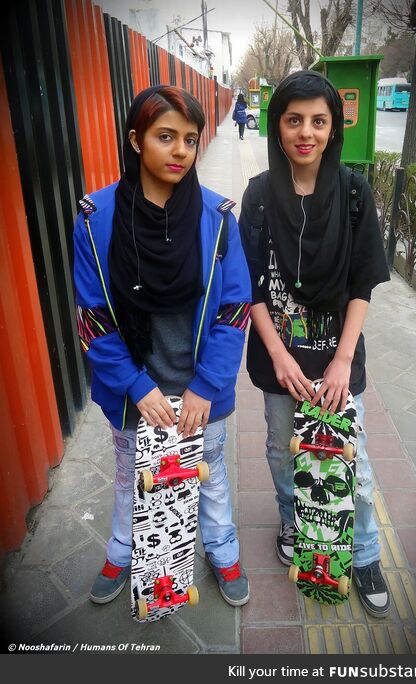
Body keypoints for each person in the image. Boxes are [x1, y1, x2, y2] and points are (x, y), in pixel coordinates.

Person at [73, 85, 252, 608]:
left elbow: (234, 309)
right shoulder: (95, 218)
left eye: (190, 140)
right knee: (134, 475)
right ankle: (123, 549)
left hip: (201, 389)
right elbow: (92, 316)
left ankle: (222, 550)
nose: (180, 151)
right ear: (135, 140)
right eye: (165, 136)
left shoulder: (217, 218)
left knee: (210, 474)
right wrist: (136, 385)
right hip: (134, 391)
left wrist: (206, 386)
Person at [238, 70, 391, 618]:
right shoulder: (257, 196)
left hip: (338, 359)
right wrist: (279, 356)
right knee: (283, 449)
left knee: (356, 461)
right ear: (276, 126)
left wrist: (343, 360)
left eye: (319, 121)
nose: (306, 132)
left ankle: (366, 553)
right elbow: (249, 285)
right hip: (279, 360)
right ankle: (292, 520)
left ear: (334, 128)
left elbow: (363, 282)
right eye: (294, 119)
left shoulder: (354, 192)